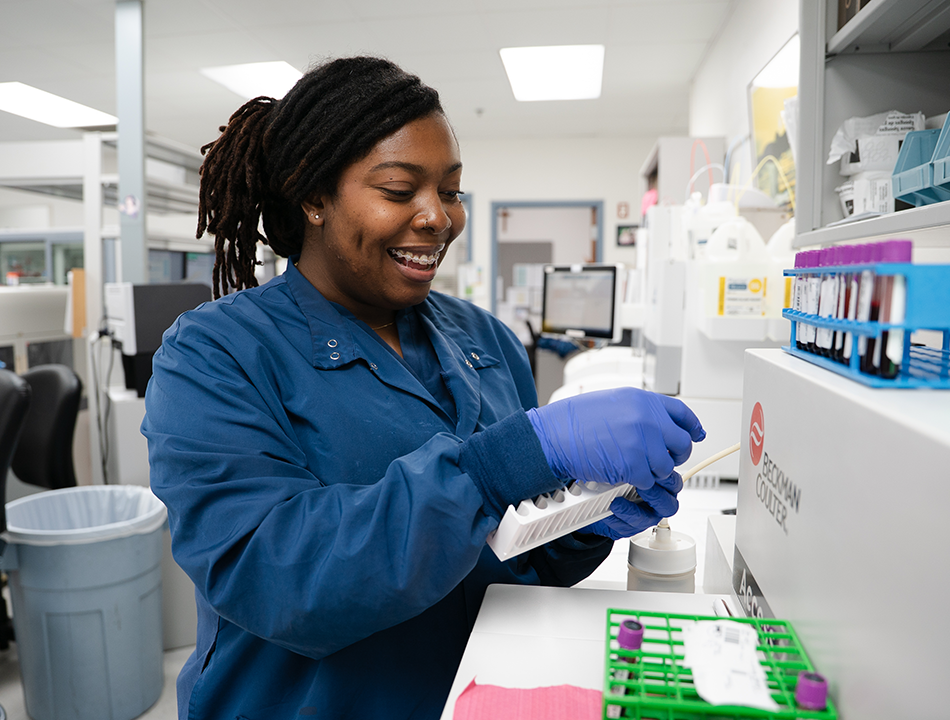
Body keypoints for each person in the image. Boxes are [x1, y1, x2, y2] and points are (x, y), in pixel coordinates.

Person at [142, 56, 704, 720]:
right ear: (315, 199)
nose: (438, 217)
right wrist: (510, 461)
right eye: (398, 188)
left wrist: (588, 513)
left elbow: (510, 558)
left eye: (452, 191)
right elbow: (281, 576)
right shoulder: (215, 355)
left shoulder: (486, 341)